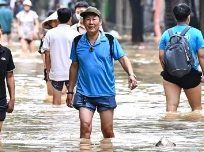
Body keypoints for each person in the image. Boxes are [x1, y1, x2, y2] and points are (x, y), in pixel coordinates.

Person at [66, 7, 137, 139]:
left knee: (107, 131)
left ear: (100, 22)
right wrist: (70, 91)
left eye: (94, 19)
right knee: (85, 126)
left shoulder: (110, 40)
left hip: (106, 92)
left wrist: (131, 74)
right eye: (87, 19)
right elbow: (74, 66)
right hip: (84, 93)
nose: (91, 22)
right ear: (83, 22)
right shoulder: (77, 42)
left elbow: (122, 58)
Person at [158, 3, 204, 112]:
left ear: (175, 18)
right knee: (196, 109)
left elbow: (161, 55)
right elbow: (202, 55)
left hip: (171, 74)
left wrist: (167, 70)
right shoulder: (196, 33)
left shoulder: (167, 33)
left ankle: (170, 128)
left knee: (171, 108)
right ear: (189, 17)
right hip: (191, 74)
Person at [42, 8, 77, 106]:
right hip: (72, 73)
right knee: (72, 101)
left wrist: (48, 70)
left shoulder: (50, 33)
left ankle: (55, 120)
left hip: (56, 72)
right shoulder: (75, 34)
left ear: (58, 19)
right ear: (70, 19)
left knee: (56, 102)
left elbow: (47, 54)